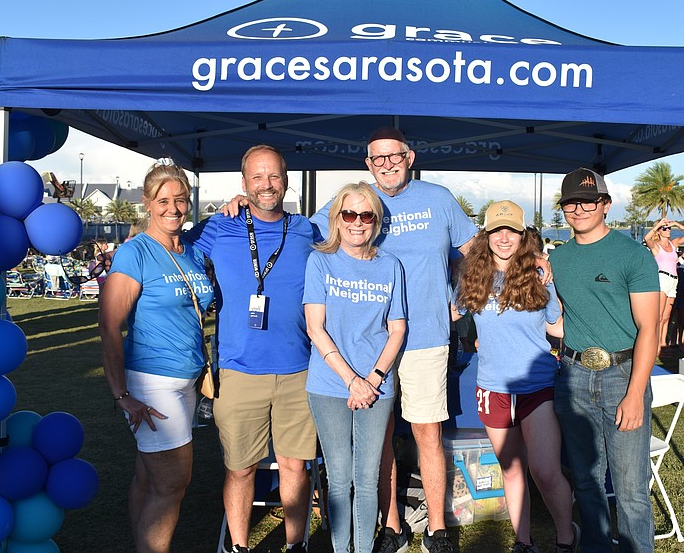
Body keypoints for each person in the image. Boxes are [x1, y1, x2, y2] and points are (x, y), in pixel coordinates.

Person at [310, 127, 480, 553]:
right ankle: (391, 525)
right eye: (377, 158)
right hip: (369, 347)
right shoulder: (355, 200)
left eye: (394, 156)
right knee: (377, 439)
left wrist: (462, 302)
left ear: (409, 156)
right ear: (367, 164)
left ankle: (436, 529)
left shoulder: (438, 198)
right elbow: (303, 233)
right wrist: (240, 206)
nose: (386, 164)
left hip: (425, 338)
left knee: (427, 433)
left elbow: (476, 250)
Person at [184, 145, 321, 553]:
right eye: (257, 177)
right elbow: (168, 245)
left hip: (299, 370)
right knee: (240, 468)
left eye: (274, 176)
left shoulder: (306, 231)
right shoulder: (217, 227)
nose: (266, 185)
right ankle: (239, 547)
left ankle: (296, 544)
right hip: (238, 371)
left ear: (286, 181)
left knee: (296, 466)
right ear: (244, 184)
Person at [99, 159, 214, 553]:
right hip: (152, 384)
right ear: (147, 203)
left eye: (180, 200)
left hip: (187, 380)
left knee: (148, 479)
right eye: (163, 200)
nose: (173, 208)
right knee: (172, 484)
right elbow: (109, 326)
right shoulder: (135, 253)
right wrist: (121, 395)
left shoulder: (191, 251)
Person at [452, 201, 576, 553]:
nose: (504, 238)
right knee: (510, 470)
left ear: (523, 236)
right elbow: (448, 312)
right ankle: (524, 541)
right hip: (492, 390)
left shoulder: (539, 276)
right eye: (496, 231)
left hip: (536, 387)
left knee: (545, 471)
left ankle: (566, 539)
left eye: (511, 231)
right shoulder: (471, 276)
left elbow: (556, 325)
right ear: (485, 235)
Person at [548, 167, 660, 553]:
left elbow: (650, 328)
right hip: (573, 376)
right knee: (586, 483)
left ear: (605, 205)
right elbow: (561, 320)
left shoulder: (634, 255)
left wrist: (635, 393)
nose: (578, 209)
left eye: (588, 201)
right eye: (570, 203)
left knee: (630, 491)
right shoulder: (557, 260)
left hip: (622, 375)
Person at [304, 182, 407, 553]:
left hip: (377, 387)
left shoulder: (390, 266)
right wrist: (352, 381)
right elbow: (315, 327)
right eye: (349, 214)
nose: (357, 222)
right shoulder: (320, 261)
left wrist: (374, 379)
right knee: (339, 476)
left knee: (366, 478)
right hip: (330, 385)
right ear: (337, 219)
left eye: (366, 215)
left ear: (376, 222)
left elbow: (397, 329)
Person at [644, 218, 684, 353]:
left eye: (669, 228)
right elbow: (646, 238)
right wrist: (658, 225)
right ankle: (656, 346)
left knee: (666, 316)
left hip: (673, 280)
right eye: (664, 229)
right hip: (662, 278)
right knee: (659, 316)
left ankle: (663, 344)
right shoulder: (655, 245)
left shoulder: (673, 244)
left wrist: (677, 224)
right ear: (659, 231)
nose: (668, 230)